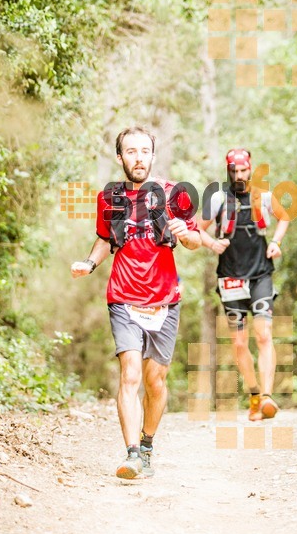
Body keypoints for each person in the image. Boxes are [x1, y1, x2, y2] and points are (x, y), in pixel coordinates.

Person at [71, 126, 201, 478]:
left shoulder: (173, 194)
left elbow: (195, 240)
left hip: (164, 298)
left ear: (153, 156)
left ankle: (147, 445)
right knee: (129, 375)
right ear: (120, 157)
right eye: (131, 151)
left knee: (154, 381)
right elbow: (103, 241)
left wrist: (184, 233)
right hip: (123, 296)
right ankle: (131, 455)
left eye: (145, 151)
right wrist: (90, 263)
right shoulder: (109, 198)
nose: (139, 157)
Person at [199, 148, 290, 421]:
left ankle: (267, 397)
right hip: (230, 278)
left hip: (260, 274)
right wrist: (213, 243)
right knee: (239, 344)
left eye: (243, 170)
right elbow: (196, 228)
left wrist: (275, 242)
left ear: (250, 169)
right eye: (234, 171)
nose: (239, 175)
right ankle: (253, 394)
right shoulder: (217, 199)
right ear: (228, 171)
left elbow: (284, 216)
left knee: (263, 335)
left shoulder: (263, 196)